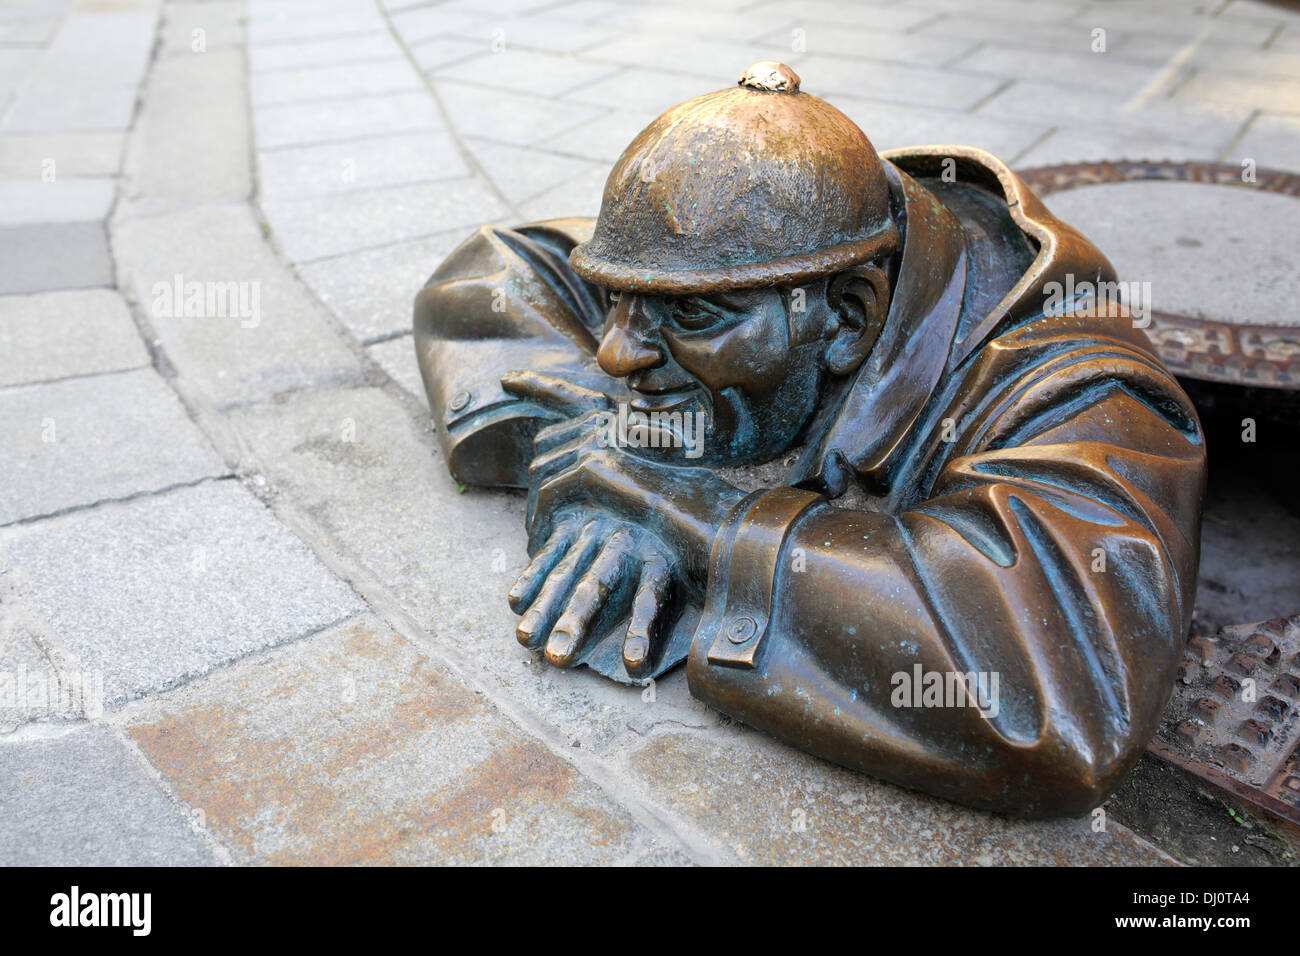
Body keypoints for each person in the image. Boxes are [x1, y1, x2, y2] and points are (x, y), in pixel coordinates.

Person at [414, 62, 1205, 816]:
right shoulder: (745, 263)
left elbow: (1058, 700)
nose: (619, 352)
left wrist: (694, 519)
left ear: (849, 318)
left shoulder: (1077, 385)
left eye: (689, 317)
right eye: (618, 299)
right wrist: (608, 434)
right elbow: (490, 275)